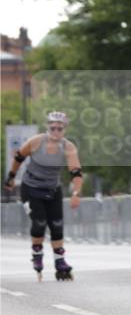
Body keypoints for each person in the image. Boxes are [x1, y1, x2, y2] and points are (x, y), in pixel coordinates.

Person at [5, 111, 84, 281]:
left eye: (59, 128)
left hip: (52, 189)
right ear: (47, 127)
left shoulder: (68, 147)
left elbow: (76, 172)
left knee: (56, 225)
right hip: (31, 188)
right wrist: (11, 177)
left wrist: (76, 193)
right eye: (52, 127)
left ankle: (60, 261)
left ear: (64, 129)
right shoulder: (35, 142)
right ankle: (37, 252)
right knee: (39, 222)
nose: (56, 131)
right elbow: (19, 157)